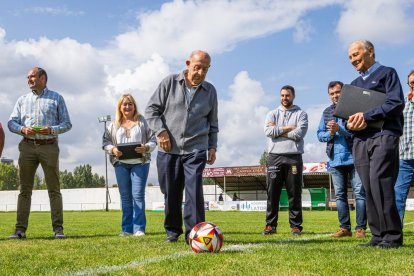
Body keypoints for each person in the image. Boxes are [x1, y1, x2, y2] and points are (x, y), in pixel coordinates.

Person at [145, 50, 218, 243]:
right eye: (197, 67)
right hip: (169, 149)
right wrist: (160, 132)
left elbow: (213, 123)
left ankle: (195, 233)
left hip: (196, 148)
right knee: (171, 191)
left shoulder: (210, 91)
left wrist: (212, 147)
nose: (201, 73)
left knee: (194, 190)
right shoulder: (169, 83)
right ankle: (172, 230)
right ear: (188, 64)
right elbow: (151, 110)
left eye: (205, 69)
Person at [347, 40, 404, 248]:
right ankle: (378, 235)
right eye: (350, 57)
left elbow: (396, 103)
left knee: (380, 181)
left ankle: (392, 236)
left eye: (356, 54)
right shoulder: (353, 85)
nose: (353, 59)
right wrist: (351, 122)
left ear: (370, 51)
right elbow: (348, 115)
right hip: (361, 140)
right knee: (369, 187)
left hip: (383, 135)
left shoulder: (388, 73)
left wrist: (367, 115)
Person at [7, 67, 72, 239]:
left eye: (33, 76)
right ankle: (20, 230)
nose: (29, 79)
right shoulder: (22, 100)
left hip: (49, 146)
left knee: (54, 189)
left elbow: (67, 124)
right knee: (24, 190)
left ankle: (58, 230)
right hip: (27, 146)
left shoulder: (56, 98)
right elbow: (11, 122)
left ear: (43, 78)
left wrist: (51, 129)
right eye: (28, 77)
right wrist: (22, 129)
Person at [317, 81, 367, 238]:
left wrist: (341, 129)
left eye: (337, 92)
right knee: (339, 195)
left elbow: (358, 132)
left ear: (343, 92)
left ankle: (360, 228)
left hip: (354, 157)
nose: (335, 96)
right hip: (335, 160)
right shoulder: (326, 112)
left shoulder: (353, 109)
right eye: (332, 93)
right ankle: (345, 228)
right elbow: (319, 135)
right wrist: (331, 134)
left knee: (359, 193)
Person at [103, 94, 156, 237]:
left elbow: (153, 140)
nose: (127, 107)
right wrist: (113, 150)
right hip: (121, 164)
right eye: (124, 104)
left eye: (130, 104)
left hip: (140, 163)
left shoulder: (142, 121)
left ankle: (139, 229)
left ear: (134, 106)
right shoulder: (113, 125)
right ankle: (126, 229)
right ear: (120, 107)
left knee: (138, 196)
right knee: (125, 198)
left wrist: (146, 148)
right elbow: (105, 143)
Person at [262, 85, 308, 236]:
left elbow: (299, 133)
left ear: (293, 96)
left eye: (287, 95)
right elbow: (268, 131)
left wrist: (278, 131)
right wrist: (288, 128)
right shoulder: (272, 113)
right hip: (274, 157)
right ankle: (270, 225)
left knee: (294, 193)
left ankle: (295, 226)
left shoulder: (301, 114)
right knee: (272, 193)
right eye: (282, 95)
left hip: (294, 157)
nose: (284, 98)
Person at [394, 70, 414, 225]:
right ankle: (395, 231)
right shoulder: (404, 104)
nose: (413, 85)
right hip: (404, 157)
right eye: (411, 83)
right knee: (398, 195)